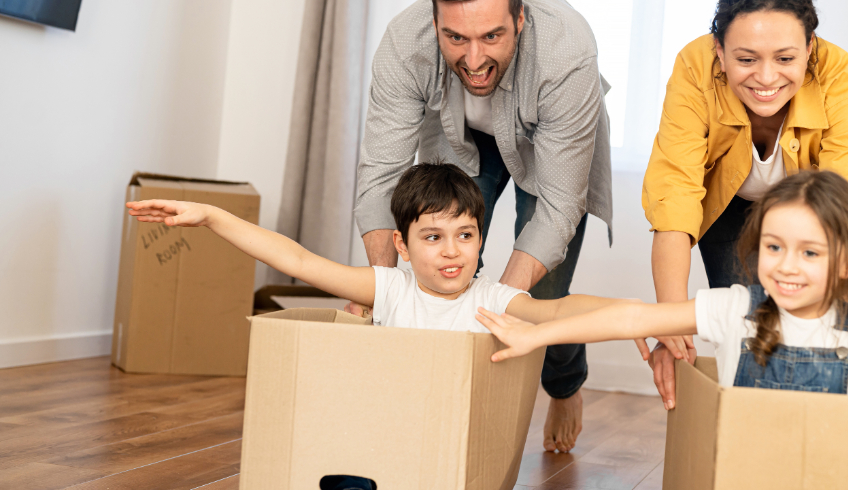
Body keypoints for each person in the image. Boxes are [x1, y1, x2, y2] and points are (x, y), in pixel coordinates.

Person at [477, 171, 848, 445]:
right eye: (774, 247)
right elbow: (632, 318)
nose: (787, 266)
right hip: (742, 472)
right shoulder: (735, 308)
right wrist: (538, 336)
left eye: (810, 253)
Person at [353, 0, 612, 452]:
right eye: (455, 38)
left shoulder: (568, 51)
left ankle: (565, 385)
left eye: (492, 35)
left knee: (544, 294)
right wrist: (378, 294)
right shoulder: (405, 45)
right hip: (461, 144)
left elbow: (559, 207)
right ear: (434, 24)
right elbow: (382, 176)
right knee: (437, 270)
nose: (474, 59)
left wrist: (498, 310)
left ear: (520, 20)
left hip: (547, 146)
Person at [640, 0, 848, 410]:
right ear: (719, 50)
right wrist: (668, 324)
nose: (766, 78)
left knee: (816, 332)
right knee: (749, 333)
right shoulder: (695, 68)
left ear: (810, 48)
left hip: (815, 214)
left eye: (786, 59)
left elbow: (845, 201)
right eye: (746, 59)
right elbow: (674, 195)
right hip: (726, 206)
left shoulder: (837, 75)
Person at [126, 163, 621, 334]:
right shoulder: (388, 288)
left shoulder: (491, 299)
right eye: (432, 237)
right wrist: (213, 216)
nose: (452, 252)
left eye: (465, 236)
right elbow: (297, 260)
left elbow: (558, 313)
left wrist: (639, 315)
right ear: (401, 246)